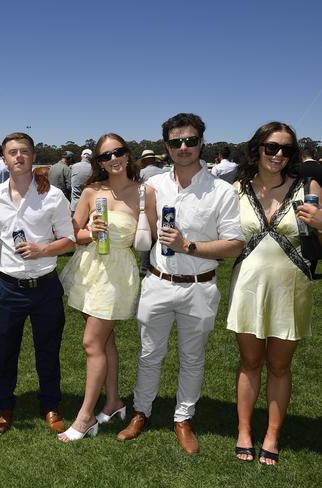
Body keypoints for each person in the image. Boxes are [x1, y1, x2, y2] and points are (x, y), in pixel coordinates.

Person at [117, 113, 244, 454]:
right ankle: (141, 411)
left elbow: (234, 244)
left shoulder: (220, 190)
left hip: (200, 286)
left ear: (202, 142)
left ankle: (183, 418)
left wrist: (189, 246)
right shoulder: (154, 185)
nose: (183, 147)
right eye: (176, 142)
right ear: (167, 147)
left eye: (190, 141)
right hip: (158, 282)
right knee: (149, 353)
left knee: (192, 357)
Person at [226, 122, 320, 465]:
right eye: (271, 147)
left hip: (291, 287)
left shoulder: (309, 187)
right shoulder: (237, 188)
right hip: (248, 286)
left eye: (286, 149)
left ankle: (272, 435)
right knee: (250, 362)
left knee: (280, 366)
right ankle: (245, 431)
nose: (278, 154)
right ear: (257, 149)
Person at [58, 133, 156, 441]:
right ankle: (113, 402)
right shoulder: (92, 191)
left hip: (118, 273)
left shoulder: (144, 193)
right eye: (105, 155)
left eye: (118, 152)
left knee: (91, 343)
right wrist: (89, 230)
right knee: (105, 341)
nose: (113, 159)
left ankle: (86, 416)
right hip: (90, 269)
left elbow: (152, 236)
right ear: (99, 162)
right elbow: (73, 232)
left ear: (128, 155)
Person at [0, 132, 75, 435]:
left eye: (24, 151)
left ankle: (50, 405)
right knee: (5, 352)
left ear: (33, 156)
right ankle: (5, 406)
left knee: (48, 351)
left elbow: (69, 240)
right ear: (4, 158)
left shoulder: (52, 196)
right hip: (8, 287)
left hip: (46, 287)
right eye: (12, 152)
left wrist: (43, 249)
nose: (18, 156)